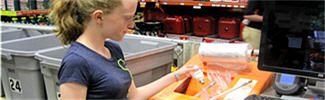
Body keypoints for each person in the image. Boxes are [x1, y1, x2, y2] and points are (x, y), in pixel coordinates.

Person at [50, 0, 198, 99]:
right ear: (99, 17)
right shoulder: (77, 62)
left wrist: (177, 76)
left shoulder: (113, 50)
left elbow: (134, 95)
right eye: (127, 18)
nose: (132, 24)